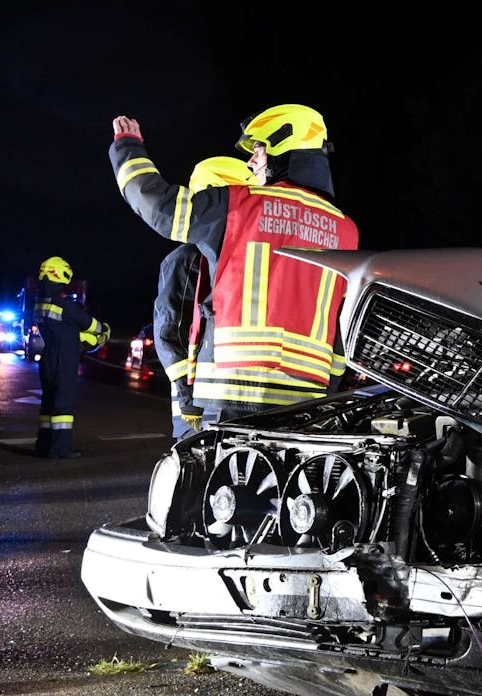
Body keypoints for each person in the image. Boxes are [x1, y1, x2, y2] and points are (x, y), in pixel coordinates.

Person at [109, 103, 360, 427]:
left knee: (223, 478)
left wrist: (127, 149)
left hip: (233, 393)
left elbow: (159, 207)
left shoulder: (241, 204)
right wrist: (330, 392)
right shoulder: (345, 230)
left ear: (283, 146)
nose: (252, 161)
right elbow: (340, 325)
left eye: (258, 150)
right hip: (305, 402)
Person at [152, 155, 255, 439]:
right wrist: (187, 399)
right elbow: (169, 330)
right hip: (197, 404)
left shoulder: (240, 258)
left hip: (228, 400)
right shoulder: (186, 258)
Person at [33, 256, 109, 459]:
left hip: (48, 357)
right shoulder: (63, 304)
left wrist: (78, 336)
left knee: (48, 404)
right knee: (62, 405)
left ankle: (44, 444)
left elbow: (63, 328)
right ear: (60, 274)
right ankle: (61, 449)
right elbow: (90, 324)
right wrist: (104, 331)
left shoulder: (40, 303)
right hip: (64, 360)